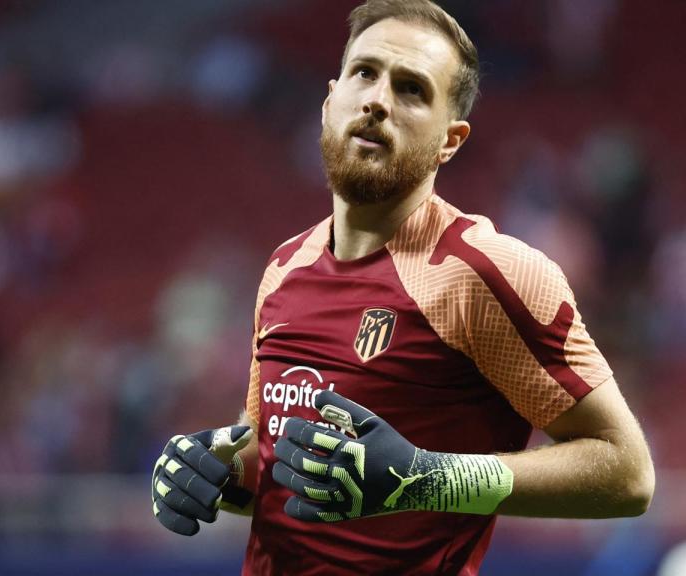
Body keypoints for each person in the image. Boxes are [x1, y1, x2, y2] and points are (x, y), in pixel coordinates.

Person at [151, 1, 655, 574]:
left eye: (411, 89)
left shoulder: (486, 272)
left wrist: (425, 477)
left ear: (450, 141)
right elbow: (275, 465)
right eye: (364, 73)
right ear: (329, 102)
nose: (378, 100)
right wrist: (209, 472)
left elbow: (627, 473)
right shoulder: (285, 267)